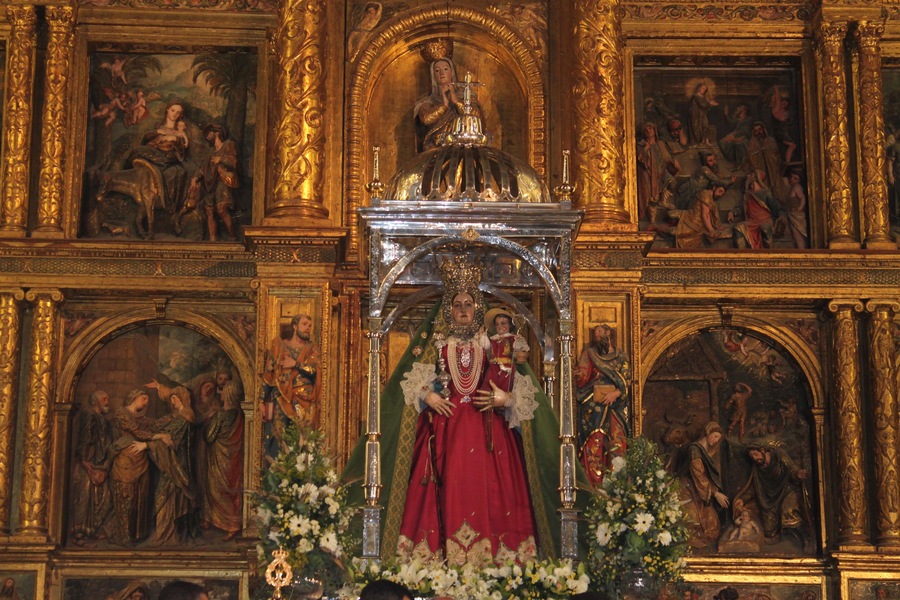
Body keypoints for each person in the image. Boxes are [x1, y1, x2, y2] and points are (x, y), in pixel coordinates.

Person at [396, 261, 539, 566]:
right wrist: (428, 394)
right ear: (448, 310)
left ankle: (497, 560)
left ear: (477, 308)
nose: (462, 310)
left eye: (468, 304)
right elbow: (412, 382)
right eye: (457, 304)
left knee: (491, 490)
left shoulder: (493, 344)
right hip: (446, 429)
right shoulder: (437, 345)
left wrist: (506, 398)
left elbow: (521, 386)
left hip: (488, 430)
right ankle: (438, 560)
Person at [109, 389, 173, 545]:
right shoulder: (121, 414)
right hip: (125, 461)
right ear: (134, 398)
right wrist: (160, 436)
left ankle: (137, 534)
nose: (146, 403)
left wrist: (174, 416)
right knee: (126, 497)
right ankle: (123, 536)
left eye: (147, 400)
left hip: (141, 461)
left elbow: (154, 424)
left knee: (140, 497)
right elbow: (136, 432)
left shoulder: (140, 418)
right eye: (144, 399)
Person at [575, 324, 629, 485]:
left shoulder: (621, 357)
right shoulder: (589, 354)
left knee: (617, 443)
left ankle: (617, 487)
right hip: (593, 405)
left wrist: (615, 394)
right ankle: (594, 486)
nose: (596, 335)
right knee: (594, 442)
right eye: (595, 333)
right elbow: (582, 377)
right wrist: (577, 374)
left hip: (615, 406)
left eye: (599, 332)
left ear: (608, 333)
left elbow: (627, 380)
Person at [144, 382, 198, 546]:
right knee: (167, 497)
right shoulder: (182, 415)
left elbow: (170, 439)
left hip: (175, 466)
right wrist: (160, 387)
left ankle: (165, 535)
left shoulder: (185, 417)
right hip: (174, 464)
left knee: (164, 497)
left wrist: (147, 444)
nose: (171, 402)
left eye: (173, 399)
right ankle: (168, 534)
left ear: (179, 398)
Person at [262, 314, 322, 447]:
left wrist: (295, 364)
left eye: (310, 326)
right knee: (278, 435)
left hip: (304, 399)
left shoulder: (312, 348)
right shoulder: (280, 346)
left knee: (302, 438)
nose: (308, 328)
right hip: (281, 397)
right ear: (295, 326)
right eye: (305, 324)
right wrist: (261, 400)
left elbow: (314, 370)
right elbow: (269, 373)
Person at [126, 99, 192, 214]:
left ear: (181, 115)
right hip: (153, 154)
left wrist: (175, 139)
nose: (174, 114)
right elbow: (146, 139)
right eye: (173, 110)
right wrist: (158, 133)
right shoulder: (158, 127)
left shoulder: (179, 133)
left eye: (178, 113)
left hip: (168, 158)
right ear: (167, 110)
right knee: (137, 151)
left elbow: (183, 150)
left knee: (177, 172)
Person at [744, 444, 813, 550]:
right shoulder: (757, 469)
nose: (754, 458)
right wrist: (741, 499)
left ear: (762, 450)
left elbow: (791, 469)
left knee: (788, 510)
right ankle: (784, 532)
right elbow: (753, 487)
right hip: (770, 498)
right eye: (752, 457)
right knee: (769, 531)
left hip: (787, 490)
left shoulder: (779, 455)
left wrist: (798, 474)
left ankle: (806, 538)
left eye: (755, 454)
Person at [177, 124, 239, 241]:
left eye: (209, 133)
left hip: (223, 180)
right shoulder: (211, 152)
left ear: (217, 133)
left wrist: (221, 159)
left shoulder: (228, 145)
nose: (207, 136)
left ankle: (232, 237)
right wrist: (195, 178)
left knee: (221, 209)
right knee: (209, 210)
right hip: (210, 183)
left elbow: (234, 161)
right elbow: (203, 168)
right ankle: (212, 239)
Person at [70, 390, 114, 545]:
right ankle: (80, 533)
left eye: (108, 398)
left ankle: (92, 531)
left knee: (102, 497)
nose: (107, 402)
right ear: (96, 402)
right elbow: (85, 438)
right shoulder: (90, 416)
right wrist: (84, 460)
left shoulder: (102, 419)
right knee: (85, 497)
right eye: (104, 399)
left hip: (99, 463)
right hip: (88, 463)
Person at [202, 380, 244, 540]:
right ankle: (210, 519)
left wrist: (209, 420)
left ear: (228, 394)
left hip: (219, 459)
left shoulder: (220, 414)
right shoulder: (239, 415)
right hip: (233, 459)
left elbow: (209, 436)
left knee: (216, 490)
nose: (219, 393)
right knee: (225, 490)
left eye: (223, 391)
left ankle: (232, 524)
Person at [414, 56, 485, 152]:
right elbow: (426, 119)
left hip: (462, 149)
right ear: (433, 75)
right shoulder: (427, 102)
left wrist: (455, 101)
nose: (442, 74)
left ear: (452, 72)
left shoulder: (467, 97)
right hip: (436, 149)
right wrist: (444, 105)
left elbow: (476, 115)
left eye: (445, 69)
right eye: (437, 71)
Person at [681, 422, 730, 551]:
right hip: (687, 489)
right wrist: (715, 493)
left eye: (717, 439)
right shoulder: (694, 450)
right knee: (693, 524)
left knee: (713, 529)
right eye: (714, 436)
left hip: (700, 490)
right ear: (707, 433)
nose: (715, 441)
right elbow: (698, 475)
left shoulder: (703, 452)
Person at [729, 171, 785, 249]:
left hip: (766, 220)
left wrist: (781, 216)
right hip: (753, 222)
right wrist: (733, 212)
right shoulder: (747, 194)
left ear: (756, 177)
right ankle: (744, 256)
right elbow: (742, 208)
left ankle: (769, 254)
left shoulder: (765, 193)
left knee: (764, 228)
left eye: (751, 174)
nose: (748, 175)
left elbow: (777, 207)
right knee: (738, 228)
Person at [637, 121, 680, 222]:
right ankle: (652, 220)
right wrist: (645, 149)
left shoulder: (660, 144)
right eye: (646, 129)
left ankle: (663, 201)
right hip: (650, 173)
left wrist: (673, 161)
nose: (648, 131)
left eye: (650, 128)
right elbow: (640, 158)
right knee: (653, 197)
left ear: (654, 130)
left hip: (662, 171)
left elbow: (666, 157)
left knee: (672, 183)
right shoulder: (642, 144)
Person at [746, 122, 788, 203]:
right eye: (755, 131)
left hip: (773, 169)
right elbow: (751, 158)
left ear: (764, 130)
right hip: (761, 170)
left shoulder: (771, 140)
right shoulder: (752, 143)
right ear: (753, 132)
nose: (758, 132)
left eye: (760, 130)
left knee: (777, 187)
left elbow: (776, 154)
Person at [718, 104, 754, 169]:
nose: (738, 108)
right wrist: (726, 114)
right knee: (722, 142)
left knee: (736, 144)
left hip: (744, 137)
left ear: (745, 109)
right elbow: (731, 122)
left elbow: (745, 131)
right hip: (736, 136)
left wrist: (733, 135)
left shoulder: (749, 119)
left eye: (740, 107)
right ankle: (733, 161)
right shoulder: (740, 118)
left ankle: (740, 165)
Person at [783, 168, 808, 248]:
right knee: (793, 233)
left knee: (797, 233)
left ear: (799, 180)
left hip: (797, 215)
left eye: (795, 178)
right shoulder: (790, 187)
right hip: (791, 214)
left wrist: (800, 207)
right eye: (791, 177)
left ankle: (801, 250)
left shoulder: (797, 187)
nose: (792, 179)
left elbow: (802, 198)